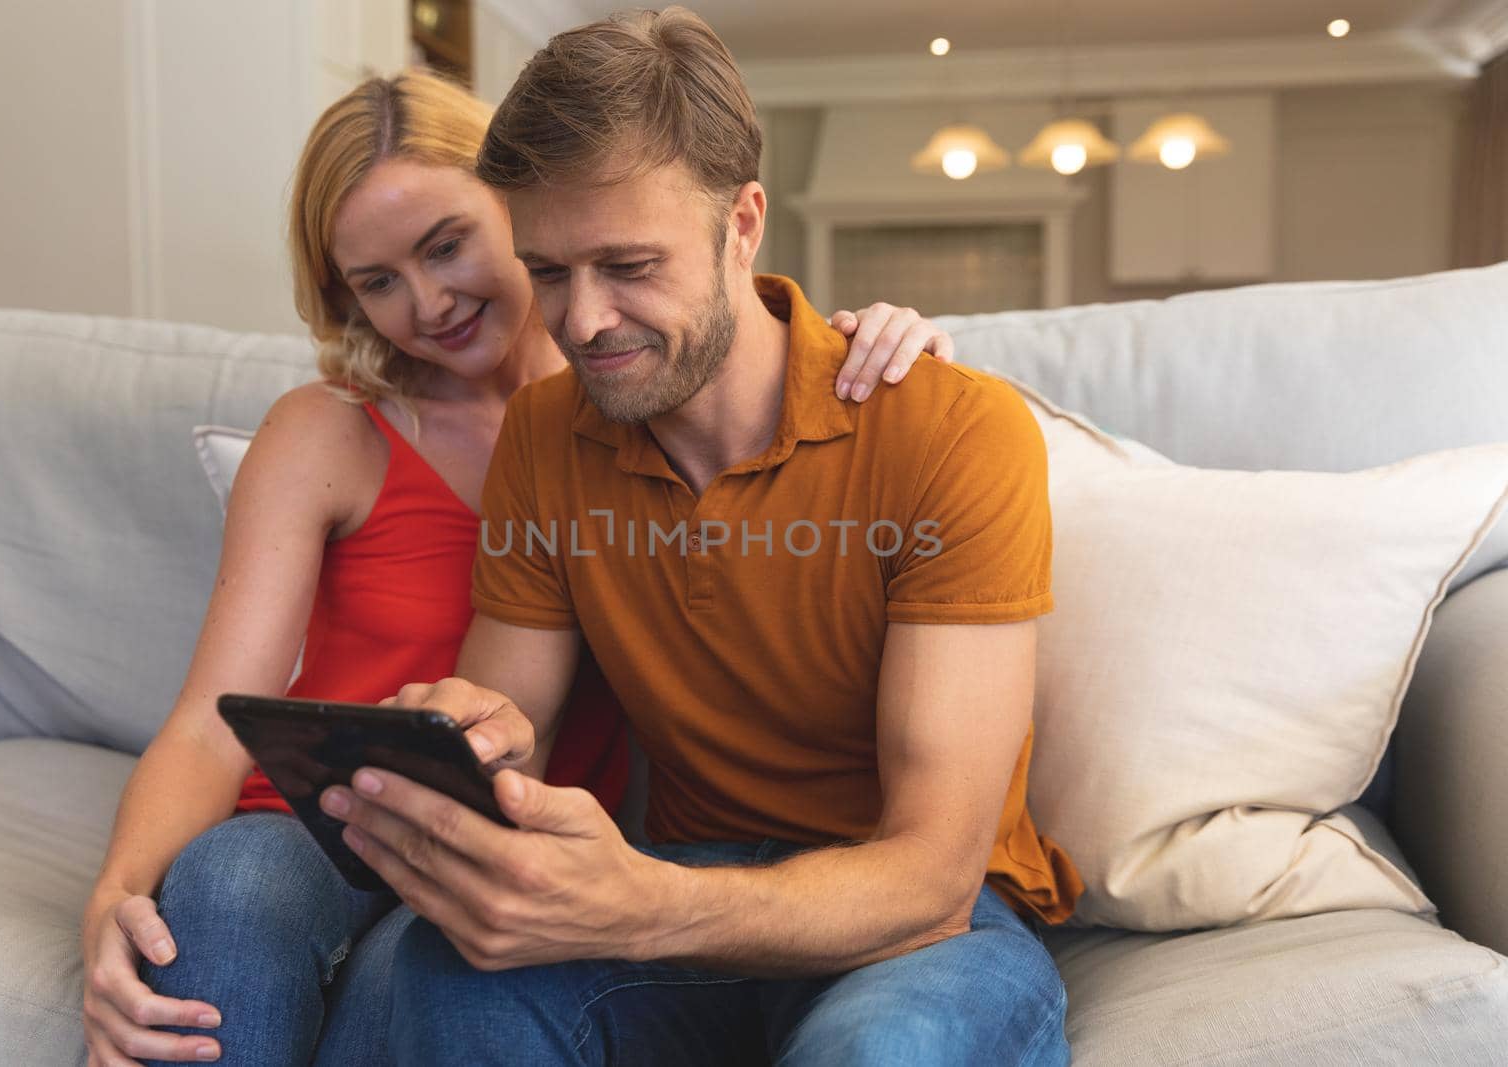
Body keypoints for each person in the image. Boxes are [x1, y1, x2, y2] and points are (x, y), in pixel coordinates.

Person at [77, 65, 958, 1067]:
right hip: (326, 825)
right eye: (376, 281)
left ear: (524, 199)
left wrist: (885, 337)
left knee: (447, 968)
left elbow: (770, 371)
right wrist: (115, 894)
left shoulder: (647, 400)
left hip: (505, 827)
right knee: (235, 880)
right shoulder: (330, 432)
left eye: (445, 245)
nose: (427, 301)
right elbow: (210, 718)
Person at [324, 8, 1085, 1065]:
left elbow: (930, 873)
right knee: (449, 987)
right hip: (684, 872)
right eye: (546, 271)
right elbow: (516, 722)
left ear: (742, 223)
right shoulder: (546, 433)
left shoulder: (950, 428)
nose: (582, 321)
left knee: (880, 1052)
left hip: (921, 929)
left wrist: (647, 905)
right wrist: (456, 746)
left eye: (628, 264)